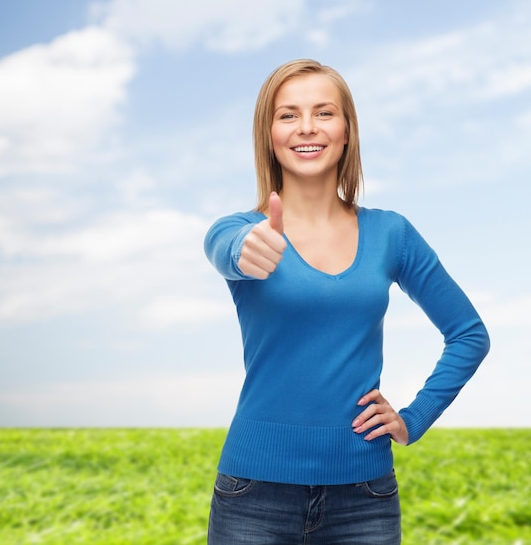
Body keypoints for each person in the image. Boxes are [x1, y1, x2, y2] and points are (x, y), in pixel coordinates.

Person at [204, 59, 490, 544]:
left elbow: (468, 334)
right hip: (252, 495)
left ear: (346, 130)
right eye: (288, 115)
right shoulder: (238, 231)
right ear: (268, 133)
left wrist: (414, 418)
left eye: (324, 112)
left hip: (365, 498)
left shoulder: (391, 233)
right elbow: (227, 251)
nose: (307, 127)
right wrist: (246, 250)